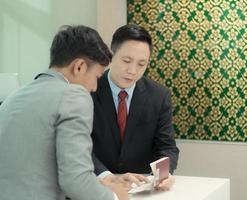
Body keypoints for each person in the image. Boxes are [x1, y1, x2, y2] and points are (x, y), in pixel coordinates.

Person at [0, 25, 144, 200]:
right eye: (97, 77)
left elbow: (39, 169)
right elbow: (75, 180)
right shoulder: (73, 95)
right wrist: (115, 196)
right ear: (79, 67)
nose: (94, 88)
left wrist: (98, 185)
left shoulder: (14, 97)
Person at [91, 24, 179, 190]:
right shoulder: (88, 89)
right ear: (112, 54)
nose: (132, 70)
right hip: (97, 187)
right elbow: (80, 146)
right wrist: (107, 177)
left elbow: (166, 146)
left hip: (140, 189)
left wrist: (161, 175)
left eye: (141, 64)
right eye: (126, 61)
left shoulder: (159, 96)